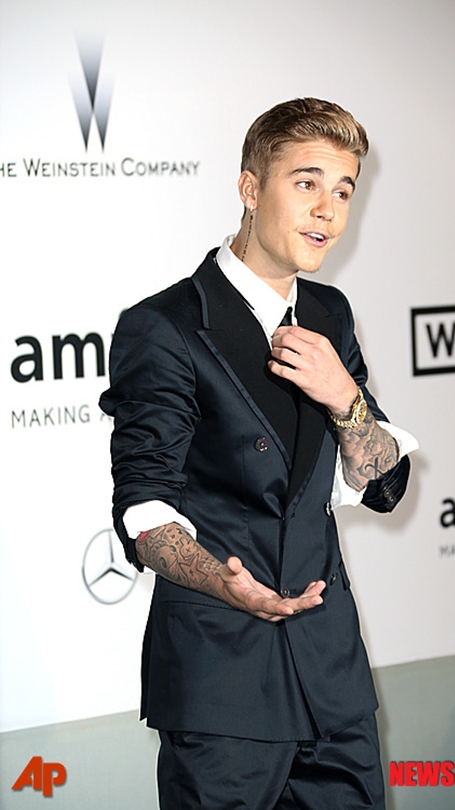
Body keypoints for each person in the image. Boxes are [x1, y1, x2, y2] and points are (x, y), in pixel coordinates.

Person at [100, 97, 417, 810]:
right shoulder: (166, 326)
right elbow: (144, 511)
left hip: (332, 679)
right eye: (307, 183)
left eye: (344, 191)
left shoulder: (330, 314)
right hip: (223, 682)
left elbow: (384, 485)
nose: (328, 212)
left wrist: (345, 396)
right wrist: (226, 584)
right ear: (250, 188)